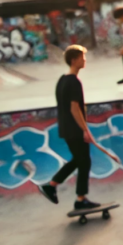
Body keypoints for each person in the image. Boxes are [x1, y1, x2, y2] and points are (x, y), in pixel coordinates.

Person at [36, 45, 102, 211]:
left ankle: (52, 186)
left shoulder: (62, 80)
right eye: (82, 57)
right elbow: (74, 108)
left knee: (79, 160)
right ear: (74, 60)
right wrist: (85, 130)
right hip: (74, 129)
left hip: (65, 128)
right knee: (84, 161)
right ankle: (80, 199)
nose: (84, 60)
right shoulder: (74, 82)